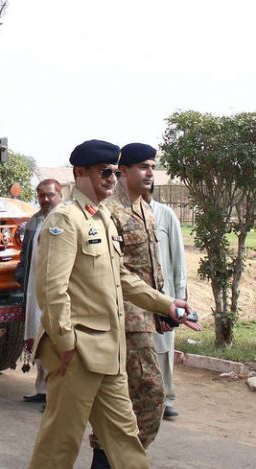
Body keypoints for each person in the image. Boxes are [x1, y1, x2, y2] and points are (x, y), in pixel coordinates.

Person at [28, 139, 201, 469]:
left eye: (113, 171)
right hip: (75, 353)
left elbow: (122, 278)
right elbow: (52, 290)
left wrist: (167, 305)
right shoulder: (65, 220)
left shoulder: (101, 219)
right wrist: (64, 343)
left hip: (109, 351)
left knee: (125, 439)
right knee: (59, 444)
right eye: (103, 171)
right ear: (80, 173)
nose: (110, 178)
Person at [88, 143, 168, 468]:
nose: (150, 173)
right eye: (144, 167)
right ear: (123, 171)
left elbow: (152, 264)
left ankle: (106, 459)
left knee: (128, 398)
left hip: (146, 313)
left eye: (153, 166)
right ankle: (115, 458)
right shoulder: (110, 212)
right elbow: (109, 271)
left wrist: (162, 306)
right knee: (150, 392)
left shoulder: (146, 209)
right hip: (124, 317)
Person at [15, 179, 63, 405]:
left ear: (60, 195)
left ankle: (56, 395)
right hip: (34, 289)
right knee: (38, 339)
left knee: (54, 340)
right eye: (41, 195)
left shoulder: (66, 219)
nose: (45, 199)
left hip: (57, 292)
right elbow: (25, 253)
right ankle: (42, 389)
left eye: (49, 195)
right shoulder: (35, 220)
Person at [147, 186, 187, 419]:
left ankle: (166, 398)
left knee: (163, 346)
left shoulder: (165, 215)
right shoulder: (118, 214)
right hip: (133, 296)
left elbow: (178, 256)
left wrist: (179, 296)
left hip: (165, 295)